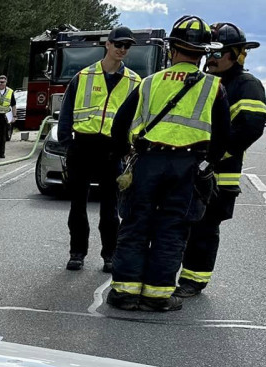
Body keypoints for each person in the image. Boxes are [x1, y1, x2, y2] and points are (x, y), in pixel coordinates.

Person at [106, 15, 230, 312]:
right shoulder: (214, 87)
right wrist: (207, 165)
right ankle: (157, 295)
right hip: (187, 167)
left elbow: (119, 124)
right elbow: (224, 136)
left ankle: (124, 292)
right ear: (202, 54)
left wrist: (125, 152)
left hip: (148, 162)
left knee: (136, 225)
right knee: (172, 229)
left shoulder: (149, 83)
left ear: (172, 49)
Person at [176, 23, 266, 298]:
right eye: (210, 52)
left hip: (219, 174)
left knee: (204, 229)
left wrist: (211, 157)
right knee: (183, 224)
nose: (212, 58)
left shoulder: (247, 85)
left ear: (237, 54)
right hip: (193, 168)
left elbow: (249, 129)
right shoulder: (207, 81)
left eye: (220, 52)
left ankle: (194, 280)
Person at [57, 26, 143, 272]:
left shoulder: (134, 81)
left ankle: (110, 255)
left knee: (110, 209)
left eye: (127, 46)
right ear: (107, 44)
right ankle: (77, 253)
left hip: (112, 149)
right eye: (118, 44)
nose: (122, 50)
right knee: (77, 206)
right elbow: (66, 113)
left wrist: (129, 148)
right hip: (82, 146)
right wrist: (67, 144)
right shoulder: (84, 76)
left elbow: (137, 118)